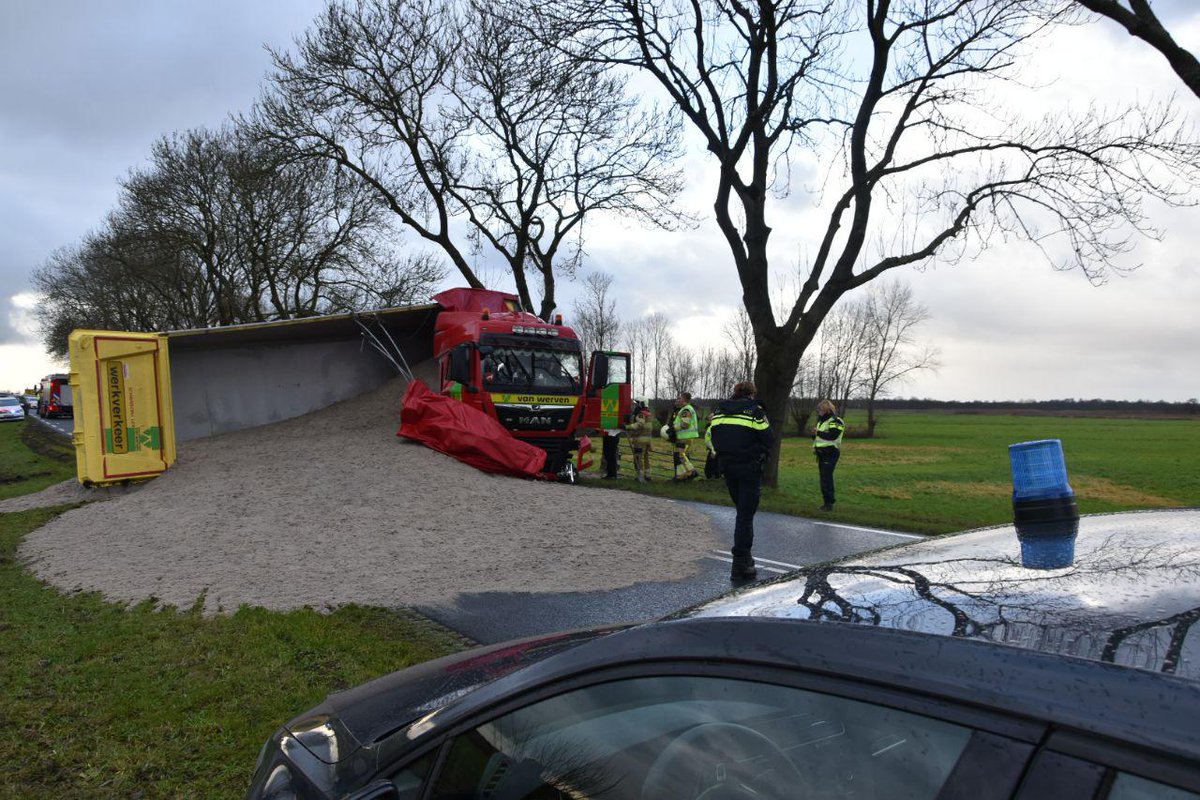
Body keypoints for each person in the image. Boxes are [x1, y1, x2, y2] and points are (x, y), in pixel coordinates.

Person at [706, 381, 772, 580]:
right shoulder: (755, 412)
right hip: (750, 467)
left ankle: (744, 559)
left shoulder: (719, 411)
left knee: (741, 512)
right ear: (752, 394)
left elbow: (713, 435)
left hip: (727, 467)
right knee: (745, 515)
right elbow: (769, 439)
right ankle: (741, 563)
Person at [813, 399, 846, 511]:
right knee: (824, 478)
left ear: (826, 410)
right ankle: (827, 502)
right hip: (822, 454)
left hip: (830, 453)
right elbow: (819, 437)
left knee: (826, 478)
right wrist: (815, 435)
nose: (819, 412)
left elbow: (833, 436)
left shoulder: (836, 421)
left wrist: (818, 432)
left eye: (821, 410)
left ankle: (829, 503)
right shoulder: (821, 421)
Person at [670, 391, 700, 481]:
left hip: (685, 437)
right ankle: (681, 477)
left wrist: (673, 428)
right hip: (684, 437)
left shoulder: (686, 410)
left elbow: (685, 424)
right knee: (680, 456)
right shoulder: (685, 409)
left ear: (684, 399)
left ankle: (692, 472)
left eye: (680, 398)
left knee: (680, 455)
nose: (678, 400)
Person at [625, 401, 655, 482]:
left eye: (637, 404)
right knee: (646, 458)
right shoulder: (648, 414)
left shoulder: (640, 414)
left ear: (641, 404)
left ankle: (640, 476)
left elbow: (639, 424)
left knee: (638, 458)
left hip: (640, 440)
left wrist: (627, 426)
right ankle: (648, 475)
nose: (635, 406)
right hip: (647, 440)